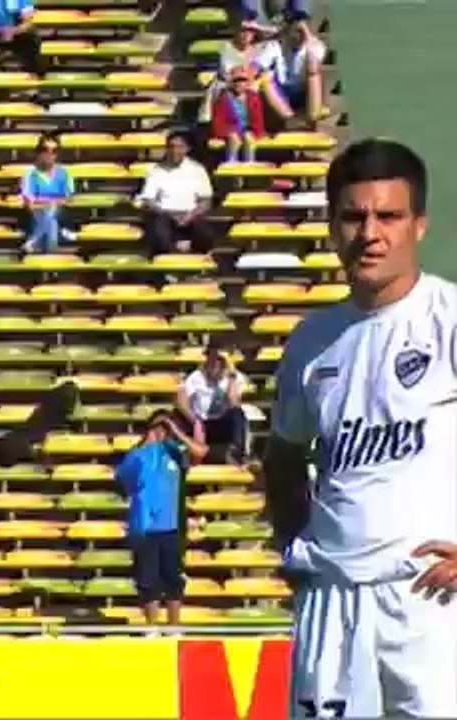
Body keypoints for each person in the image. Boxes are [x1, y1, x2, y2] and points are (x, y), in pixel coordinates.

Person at [264, 139, 457, 717]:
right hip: (331, 601)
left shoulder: (448, 318)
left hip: (429, 598)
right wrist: (294, 547)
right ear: (333, 226)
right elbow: (282, 456)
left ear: (418, 225)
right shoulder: (311, 340)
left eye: (389, 216)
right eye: (354, 216)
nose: (370, 232)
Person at [115, 410, 206, 625]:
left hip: (171, 526)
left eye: (166, 426)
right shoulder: (137, 454)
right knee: (148, 582)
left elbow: (200, 452)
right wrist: (146, 441)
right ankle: (151, 628)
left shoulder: (175, 452)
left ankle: (174, 627)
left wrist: (174, 430)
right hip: (144, 527)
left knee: (173, 580)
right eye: (158, 426)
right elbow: (123, 479)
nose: (162, 431)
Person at [135, 132, 215, 256]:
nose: (174, 151)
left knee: (206, 233)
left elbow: (206, 200)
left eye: (179, 147)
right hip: (165, 215)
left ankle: (196, 264)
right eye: (171, 147)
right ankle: (168, 264)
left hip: (190, 215)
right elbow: (148, 200)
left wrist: (191, 215)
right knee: (159, 232)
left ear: (187, 149)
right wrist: (168, 214)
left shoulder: (197, 170)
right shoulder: (156, 171)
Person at [176, 339, 249, 464]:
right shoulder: (196, 377)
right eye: (212, 358)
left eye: (219, 359)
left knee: (238, 414)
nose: (215, 363)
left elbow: (233, 402)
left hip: (223, 425)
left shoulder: (236, 377)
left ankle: (235, 453)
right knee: (177, 416)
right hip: (202, 424)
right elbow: (180, 399)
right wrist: (194, 420)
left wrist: (231, 378)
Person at [19, 135, 74, 254]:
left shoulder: (64, 173)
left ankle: (34, 240)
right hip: (36, 216)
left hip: (61, 215)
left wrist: (44, 201)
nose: (50, 154)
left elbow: (68, 200)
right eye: (45, 150)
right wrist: (53, 202)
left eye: (54, 151)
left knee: (52, 213)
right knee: (51, 223)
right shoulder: (30, 174)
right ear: (38, 152)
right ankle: (59, 234)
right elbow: (29, 204)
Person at [211, 66, 265, 164]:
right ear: (231, 82)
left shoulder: (253, 97)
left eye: (243, 80)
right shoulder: (223, 98)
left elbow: (258, 119)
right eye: (236, 81)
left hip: (247, 129)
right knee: (234, 138)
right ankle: (231, 162)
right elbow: (218, 120)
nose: (239, 83)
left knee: (248, 138)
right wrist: (227, 132)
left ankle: (249, 162)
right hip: (229, 130)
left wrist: (255, 131)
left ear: (247, 83)